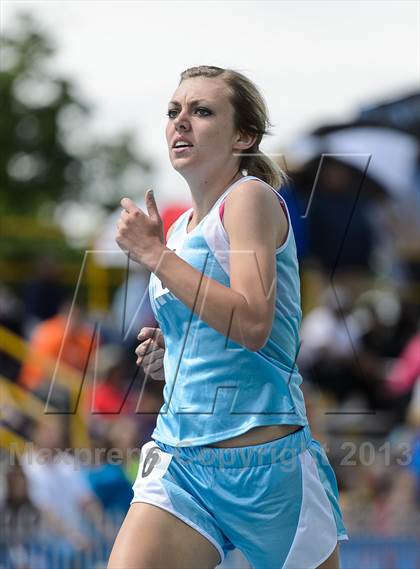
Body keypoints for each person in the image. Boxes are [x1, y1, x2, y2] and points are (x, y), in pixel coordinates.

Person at [110, 65, 348, 569]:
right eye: (174, 111)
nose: (181, 122)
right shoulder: (176, 232)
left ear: (244, 136)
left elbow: (253, 325)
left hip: (266, 470)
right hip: (181, 461)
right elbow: (214, 334)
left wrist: (155, 257)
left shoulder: (250, 198)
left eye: (201, 111)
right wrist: (170, 354)